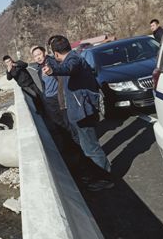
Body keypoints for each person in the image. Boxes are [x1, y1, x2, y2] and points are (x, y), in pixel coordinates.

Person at [31, 45, 113, 190]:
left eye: (39, 53)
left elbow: (66, 72)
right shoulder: (41, 69)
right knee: (82, 141)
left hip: (72, 106)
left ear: (49, 53)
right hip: (61, 104)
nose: (38, 57)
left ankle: (104, 177)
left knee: (89, 144)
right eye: (35, 55)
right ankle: (94, 172)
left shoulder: (64, 62)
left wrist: (53, 71)